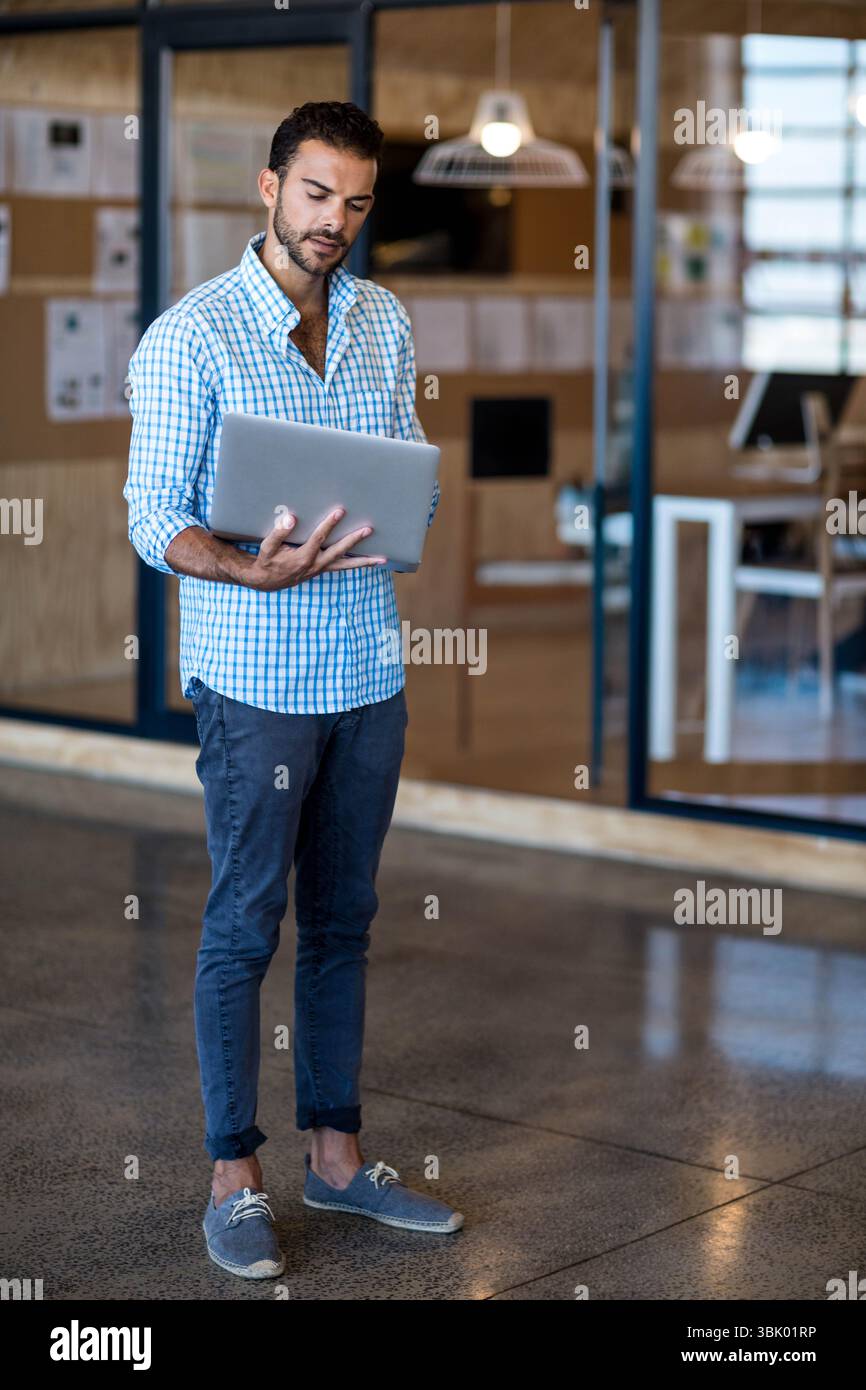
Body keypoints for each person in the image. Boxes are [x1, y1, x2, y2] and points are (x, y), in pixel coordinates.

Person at [123, 101, 461, 1280]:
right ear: (268, 189)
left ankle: (334, 1158)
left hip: (366, 668)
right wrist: (245, 564)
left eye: (357, 202)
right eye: (316, 194)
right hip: (257, 676)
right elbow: (154, 515)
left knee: (345, 919)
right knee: (242, 920)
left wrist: (408, 508)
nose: (336, 221)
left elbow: (400, 464)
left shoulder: (383, 318)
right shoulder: (190, 337)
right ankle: (233, 1178)